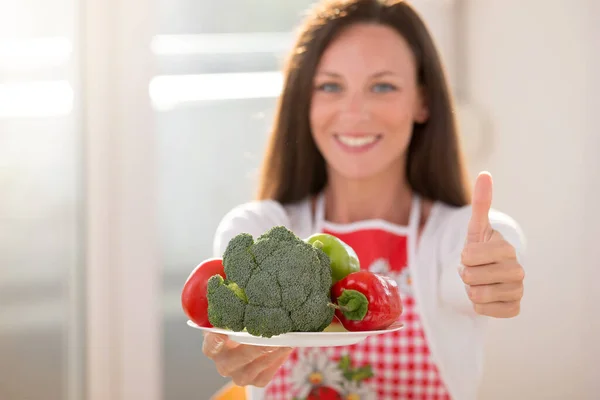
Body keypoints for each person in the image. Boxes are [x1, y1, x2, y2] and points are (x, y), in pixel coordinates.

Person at [202, 0, 526, 399]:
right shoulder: (259, 232)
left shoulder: (448, 238)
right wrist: (232, 351)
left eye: (383, 86)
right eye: (331, 86)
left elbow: (486, 246)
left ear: (422, 101)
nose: (354, 112)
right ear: (305, 101)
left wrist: (495, 268)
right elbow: (231, 327)